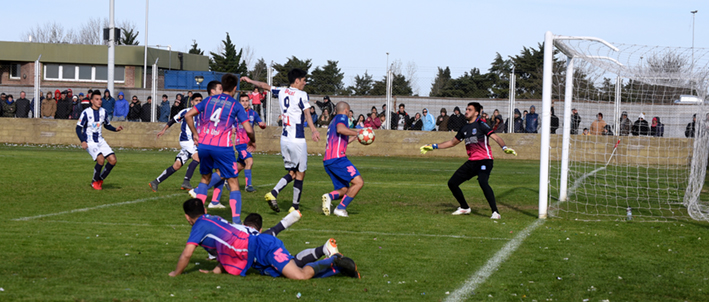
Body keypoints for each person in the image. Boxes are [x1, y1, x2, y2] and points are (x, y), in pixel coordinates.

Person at [168, 199, 360, 279]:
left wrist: (175, 273)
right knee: (295, 272)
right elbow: (225, 248)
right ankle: (336, 267)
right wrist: (217, 271)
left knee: (300, 276)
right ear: (205, 210)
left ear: (187, 217)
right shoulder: (212, 219)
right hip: (257, 255)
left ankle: (333, 259)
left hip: (263, 247)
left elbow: (186, 255)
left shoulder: (199, 226)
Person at [420, 102, 517, 219]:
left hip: (485, 160)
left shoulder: (482, 125)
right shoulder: (464, 128)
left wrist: (504, 147)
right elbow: (452, 143)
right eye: (466, 109)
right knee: (452, 183)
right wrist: (433, 146)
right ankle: (464, 207)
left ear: (476, 113)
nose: (466, 111)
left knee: (482, 181)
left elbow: (495, 137)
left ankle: (495, 212)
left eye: (469, 110)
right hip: (472, 162)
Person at [241, 69, 319, 213]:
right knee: (300, 173)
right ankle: (293, 206)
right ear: (297, 80)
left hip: (285, 139)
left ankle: (275, 194)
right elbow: (307, 113)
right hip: (297, 139)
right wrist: (314, 130)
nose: (305, 83)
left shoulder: (282, 91)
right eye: (303, 80)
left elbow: (265, 86)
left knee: (292, 172)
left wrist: (251, 81)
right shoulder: (302, 94)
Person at [185, 74, 255, 224]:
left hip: (204, 145)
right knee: (233, 182)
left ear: (222, 87)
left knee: (205, 178)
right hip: (223, 147)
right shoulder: (235, 105)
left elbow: (188, 115)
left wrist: (195, 134)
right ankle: (236, 221)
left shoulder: (208, 100)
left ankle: (197, 215)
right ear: (235, 88)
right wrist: (253, 140)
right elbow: (248, 129)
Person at [149, 93, 204, 193]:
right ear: (192, 102)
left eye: (200, 100)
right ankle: (186, 182)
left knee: (177, 165)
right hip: (186, 140)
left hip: (193, 142)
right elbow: (172, 120)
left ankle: (155, 182)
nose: (198, 102)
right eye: (196, 100)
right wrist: (163, 130)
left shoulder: (203, 114)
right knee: (198, 157)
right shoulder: (186, 112)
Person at [320, 102, 366, 217]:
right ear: (346, 111)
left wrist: (354, 137)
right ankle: (340, 209)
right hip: (338, 159)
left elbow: (340, 139)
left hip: (328, 160)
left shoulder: (332, 121)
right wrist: (358, 132)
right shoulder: (342, 118)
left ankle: (329, 197)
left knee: (345, 190)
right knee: (358, 182)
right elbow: (341, 129)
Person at [76, 90, 124, 190]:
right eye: (96, 99)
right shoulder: (86, 113)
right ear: (92, 101)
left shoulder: (103, 112)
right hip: (90, 142)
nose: (99, 101)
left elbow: (107, 125)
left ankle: (100, 179)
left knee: (113, 160)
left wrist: (115, 129)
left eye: (100, 99)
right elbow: (78, 128)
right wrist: (83, 141)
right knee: (101, 159)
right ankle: (94, 182)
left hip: (100, 140)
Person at [232, 92, 266, 193]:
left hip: (248, 143)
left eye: (246, 101)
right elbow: (231, 123)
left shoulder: (253, 113)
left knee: (242, 165)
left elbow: (260, 122)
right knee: (249, 161)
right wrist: (233, 128)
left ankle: (226, 179)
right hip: (240, 143)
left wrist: (262, 125)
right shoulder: (236, 114)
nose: (245, 103)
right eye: (242, 101)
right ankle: (248, 186)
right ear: (239, 102)